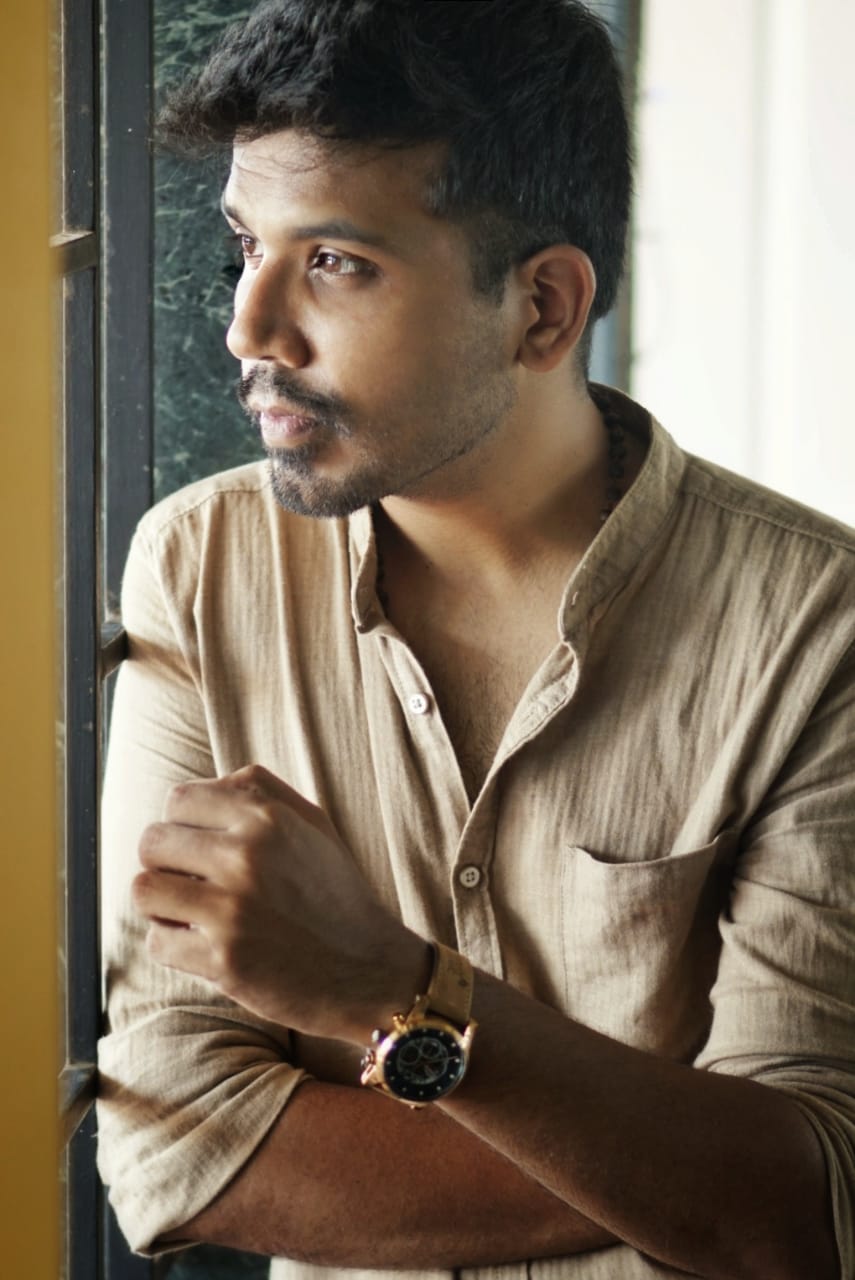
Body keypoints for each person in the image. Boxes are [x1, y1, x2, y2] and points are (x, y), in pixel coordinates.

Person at [96, 2, 854, 1277]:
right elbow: (182, 1139)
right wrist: (671, 1168)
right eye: (248, 246)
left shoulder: (816, 627)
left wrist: (396, 988)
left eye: (336, 262)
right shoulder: (200, 566)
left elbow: (808, 1210)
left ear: (544, 308)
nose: (250, 329)